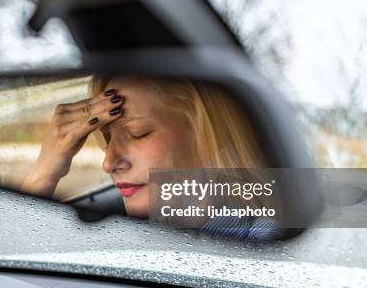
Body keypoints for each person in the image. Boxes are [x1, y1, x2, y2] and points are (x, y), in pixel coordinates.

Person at [22, 75, 280, 239]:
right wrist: (44, 172)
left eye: (137, 133)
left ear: (210, 133)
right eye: (107, 138)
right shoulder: (125, 237)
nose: (108, 163)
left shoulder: (264, 240)